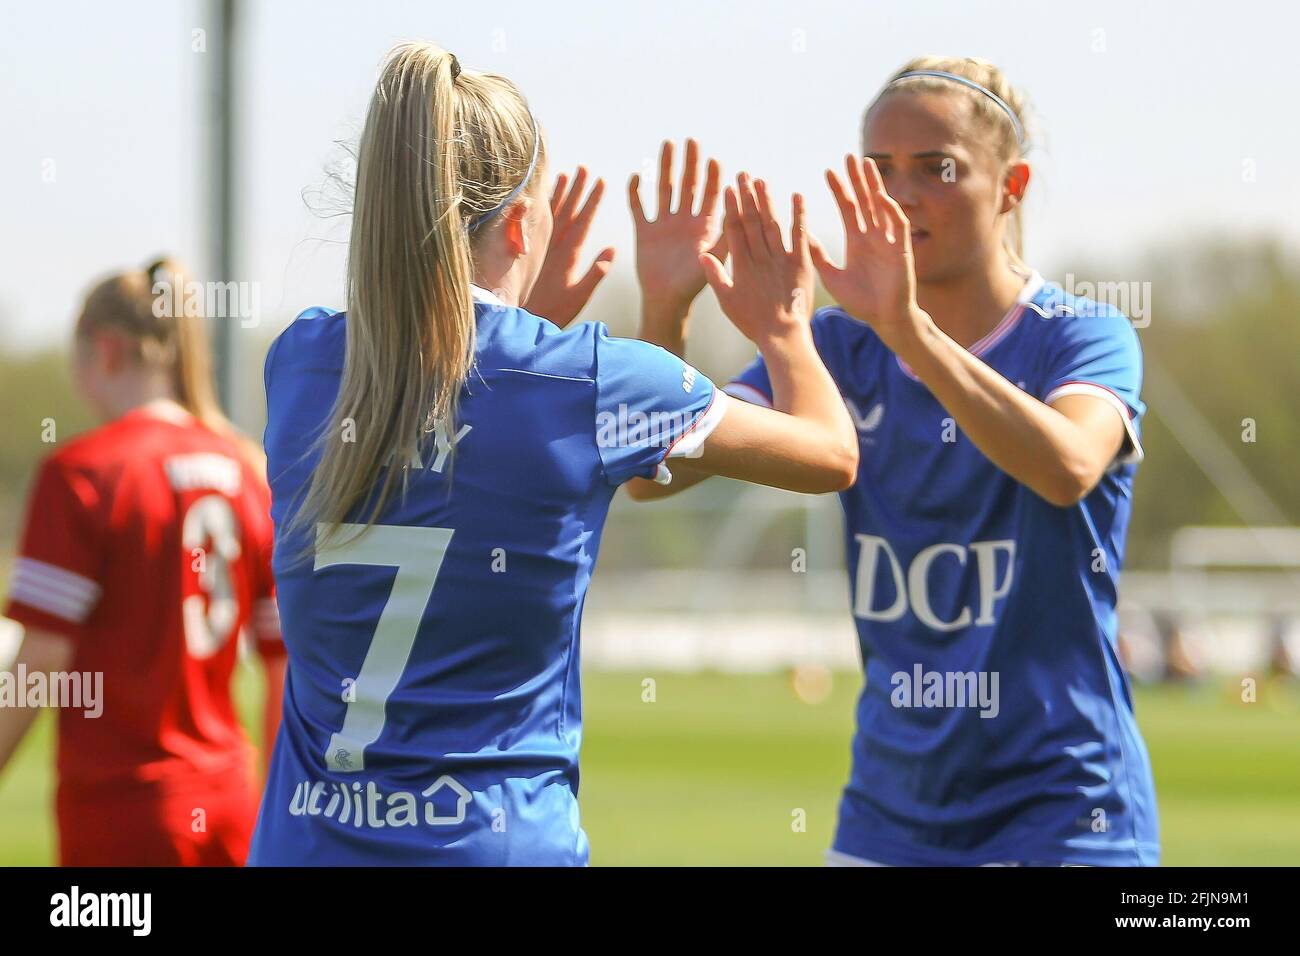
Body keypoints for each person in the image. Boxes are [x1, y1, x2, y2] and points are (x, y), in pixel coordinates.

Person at [246, 41, 856, 866]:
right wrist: (785, 330)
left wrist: (541, 334)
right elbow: (829, 454)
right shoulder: (592, 382)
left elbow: (448, 411)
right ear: (526, 223)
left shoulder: (301, 364)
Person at [630, 56, 1159, 866]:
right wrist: (666, 309)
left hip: (1066, 812)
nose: (902, 193)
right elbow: (652, 474)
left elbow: (1066, 468)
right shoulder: (837, 349)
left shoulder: (1080, 335)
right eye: (879, 171)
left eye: (936, 169)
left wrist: (909, 330)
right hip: (889, 816)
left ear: (1010, 187)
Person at [0, 258, 285, 866]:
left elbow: (40, 660)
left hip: (122, 816)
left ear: (104, 351)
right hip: (232, 806)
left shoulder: (82, 474)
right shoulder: (247, 473)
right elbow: (283, 663)